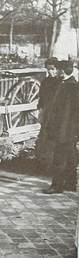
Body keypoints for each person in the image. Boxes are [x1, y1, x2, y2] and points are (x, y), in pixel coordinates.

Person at [39, 60, 79, 194]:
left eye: (58, 70)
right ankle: (71, 184)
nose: (56, 72)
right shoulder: (69, 84)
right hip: (68, 129)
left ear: (62, 71)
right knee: (71, 157)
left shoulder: (71, 86)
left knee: (59, 157)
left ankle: (57, 186)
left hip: (64, 129)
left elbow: (74, 112)